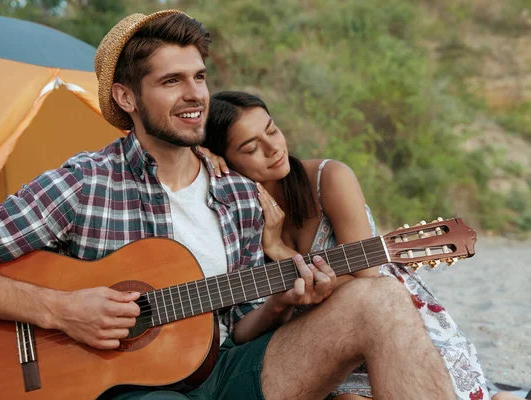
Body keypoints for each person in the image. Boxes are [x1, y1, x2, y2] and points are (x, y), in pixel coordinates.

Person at [0, 10, 465, 400]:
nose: (194, 93)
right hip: (132, 389)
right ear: (127, 98)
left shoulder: (240, 196)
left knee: (382, 301)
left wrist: (279, 303)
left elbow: (240, 328)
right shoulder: (85, 183)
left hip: (225, 371)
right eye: (171, 81)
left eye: (198, 77)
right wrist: (60, 309)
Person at [200, 91, 490, 399]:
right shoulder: (237, 213)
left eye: (272, 130)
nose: (273, 148)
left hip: (389, 324)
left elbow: (368, 285)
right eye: (252, 147)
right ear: (227, 162)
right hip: (317, 344)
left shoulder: (330, 179)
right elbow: (243, 326)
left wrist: (282, 253)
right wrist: (199, 154)